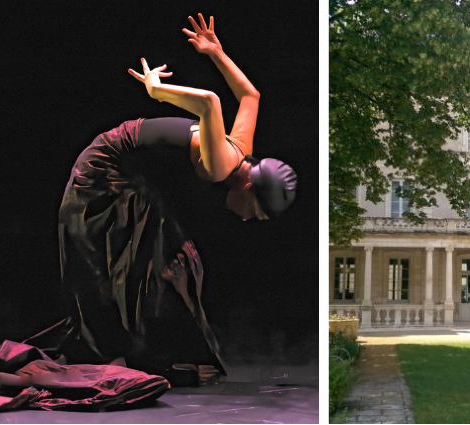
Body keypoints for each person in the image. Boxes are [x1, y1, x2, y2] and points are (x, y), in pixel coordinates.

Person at [25, 13, 297, 385]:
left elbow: (251, 95)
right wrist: (156, 89)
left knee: (162, 249)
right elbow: (211, 102)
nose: (249, 219)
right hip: (104, 170)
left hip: (128, 175)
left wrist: (215, 52)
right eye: (257, 214)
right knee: (113, 255)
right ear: (250, 189)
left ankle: (138, 343)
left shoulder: (242, 150)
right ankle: (121, 344)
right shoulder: (222, 166)